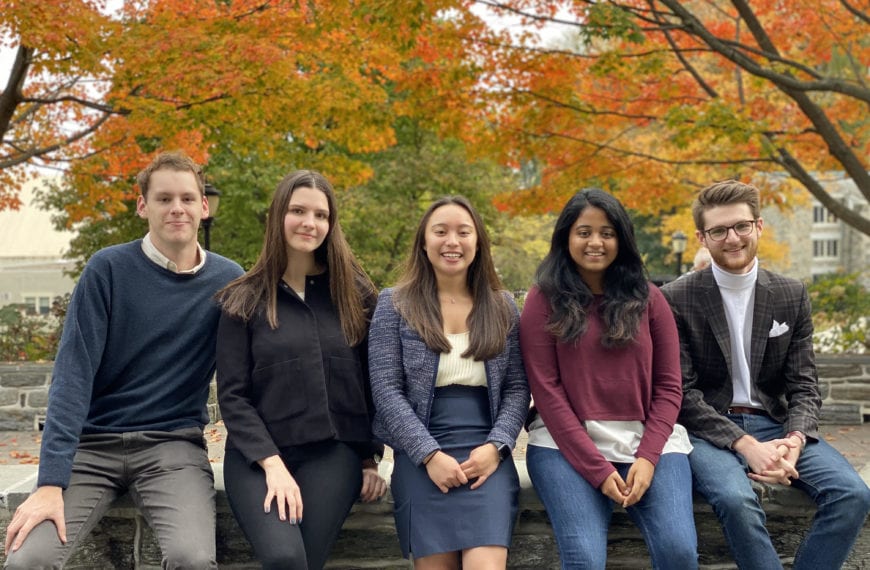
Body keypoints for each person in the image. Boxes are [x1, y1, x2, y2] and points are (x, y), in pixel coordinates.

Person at [4, 151, 244, 569]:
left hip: (172, 447)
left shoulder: (228, 281)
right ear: (142, 206)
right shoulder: (107, 270)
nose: (177, 208)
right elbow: (72, 376)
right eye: (164, 198)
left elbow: (250, 375)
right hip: (90, 449)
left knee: (192, 559)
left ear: (204, 207)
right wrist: (50, 482)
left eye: (188, 198)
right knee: (29, 560)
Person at [661, 180, 870, 569]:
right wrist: (745, 445)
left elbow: (804, 385)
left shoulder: (791, 294)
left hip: (775, 424)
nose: (732, 238)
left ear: (758, 226)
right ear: (702, 237)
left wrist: (795, 437)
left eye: (741, 226)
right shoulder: (677, 297)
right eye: (719, 230)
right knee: (736, 501)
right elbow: (682, 393)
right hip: (709, 429)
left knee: (852, 494)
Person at [215, 170, 387, 570]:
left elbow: (369, 383)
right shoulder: (242, 299)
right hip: (256, 457)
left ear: (331, 224)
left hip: (332, 452)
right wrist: (272, 465)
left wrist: (369, 459)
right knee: (283, 555)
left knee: (300, 559)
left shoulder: (355, 295)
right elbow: (233, 395)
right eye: (297, 210)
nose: (310, 223)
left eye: (321, 215)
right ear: (279, 216)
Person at [519, 188, 698, 570]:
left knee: (678, 551)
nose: (595, 242)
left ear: (622, 239)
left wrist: (648, 458)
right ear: (566, 237)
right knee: (584, 558)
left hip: (649, 442)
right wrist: (598, 471)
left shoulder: (651, 300)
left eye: (607, 232)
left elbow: (669, 387)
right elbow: (546, 391)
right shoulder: (542, 299)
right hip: (563, 445)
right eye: (584, 232)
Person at [368, 196, 530, 569]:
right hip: (421, 455)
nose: (452, 242)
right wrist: (428, 454)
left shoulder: (503, 306)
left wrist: (497, 446)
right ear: (424, 243)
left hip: (485, 455)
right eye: (440, 232)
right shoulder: (394, 304)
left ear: (478, 242)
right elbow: (385, 390)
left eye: (463, 232)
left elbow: (518, 388)